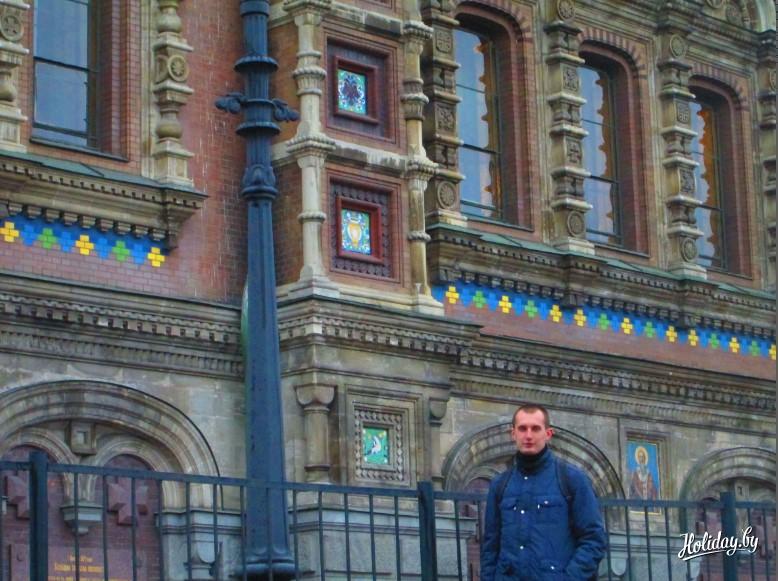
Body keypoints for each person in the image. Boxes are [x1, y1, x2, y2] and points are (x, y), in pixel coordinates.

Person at [481, 404, 607, 580]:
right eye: (522, 429)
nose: (528, 435)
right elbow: (490, 548)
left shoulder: (572, 479)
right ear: (513, 433)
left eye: (535, 429)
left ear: (548, 434)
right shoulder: (500, 485)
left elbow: (594, 539)